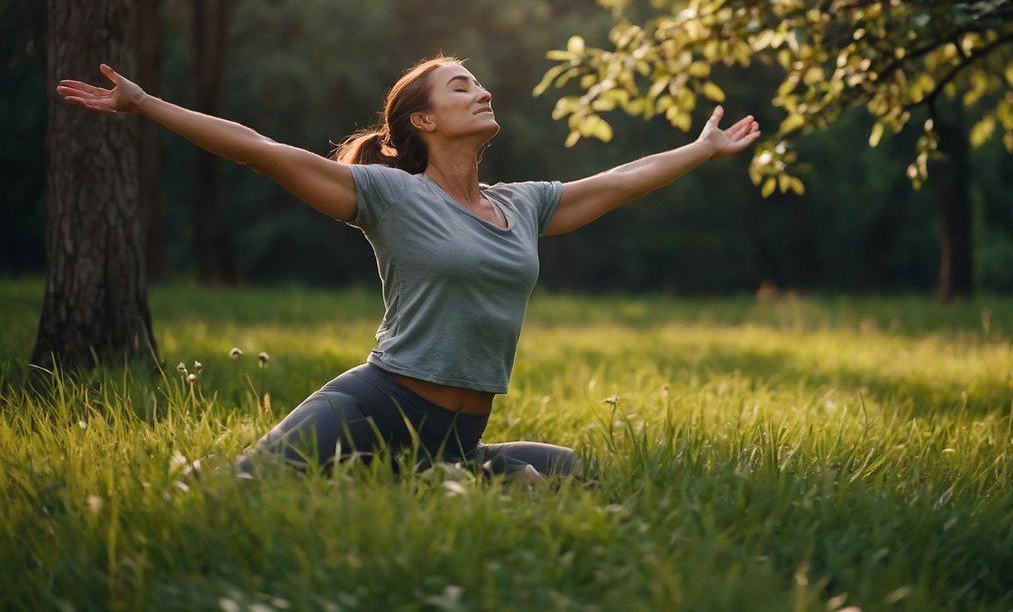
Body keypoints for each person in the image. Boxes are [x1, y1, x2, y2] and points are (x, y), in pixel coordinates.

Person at [57, 58, 760, 483]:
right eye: (461, 87)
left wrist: (701, 149)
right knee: (250, 483)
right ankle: (435, 477)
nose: (481, 91)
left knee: (580, 473)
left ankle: (451, 475)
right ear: (423, 121)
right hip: (374, 405)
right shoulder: (389, 195)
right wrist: (144, 104)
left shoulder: (522, 207)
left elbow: (621, 180)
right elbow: (259, 149)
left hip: (459, 432)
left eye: (478, 83)